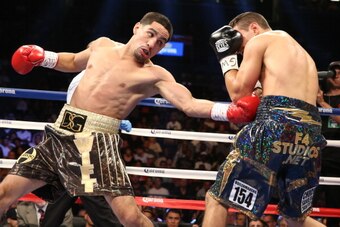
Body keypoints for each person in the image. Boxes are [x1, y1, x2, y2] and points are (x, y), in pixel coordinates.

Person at [2, 12, 259, 227]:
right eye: (151, 34)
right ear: (137, 27)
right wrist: (42, 57)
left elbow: (189, 104)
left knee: (131, 218)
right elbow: (71, 61)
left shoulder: (155, 75)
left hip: (98, 144)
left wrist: (229, 111)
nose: (153, 43)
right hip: (59, 135)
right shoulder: (101, 45)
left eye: (161, 42)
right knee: (5, 192)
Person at [203, 12, 327, 227]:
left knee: (217, 198)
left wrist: (226, 58)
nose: (239, 48)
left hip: (276, 125)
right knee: (294, 218)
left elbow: (238, 94)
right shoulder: (303, 55)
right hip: (311, 136)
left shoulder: (260, 40)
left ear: (253, 27)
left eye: (239, 40)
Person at [316, 61, 340, 227]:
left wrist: (322, 103)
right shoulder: (315, 94)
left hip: (336, 156)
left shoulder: (321, 99)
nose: (337, 75)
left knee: (334, 202)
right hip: (315, 152)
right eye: (334, 72)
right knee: (306, 198)